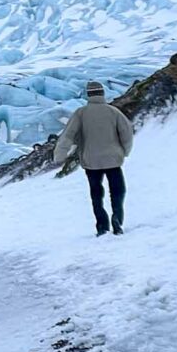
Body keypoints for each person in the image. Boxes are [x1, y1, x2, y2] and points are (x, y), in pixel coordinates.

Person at [53, 80, 133, 236]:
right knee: (118, 191)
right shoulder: (113, 111)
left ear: (88, 95)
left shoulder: (81, 113)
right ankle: (117, 219)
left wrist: (60, 155)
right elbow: (127, 133)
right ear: (102, 93)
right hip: (113, 160)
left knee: (96, 194)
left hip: (91, 162)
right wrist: (125, 151)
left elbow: (68, 136)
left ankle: (102, 226)